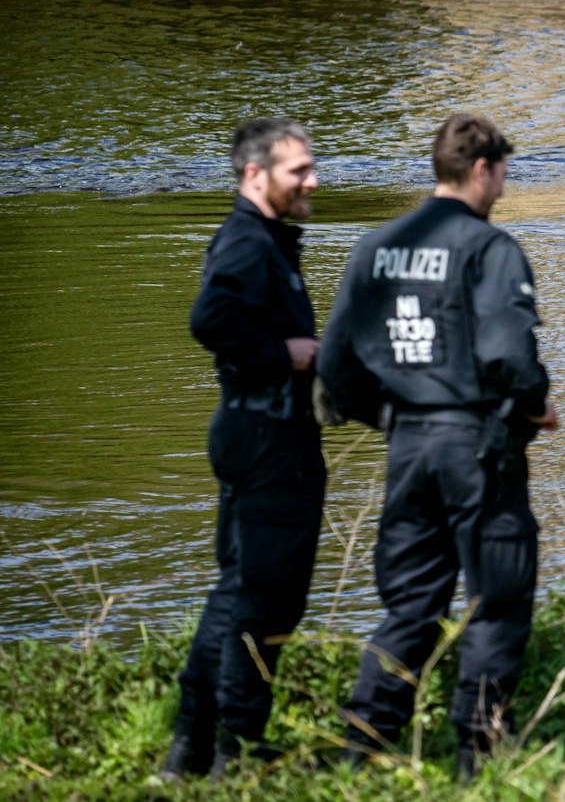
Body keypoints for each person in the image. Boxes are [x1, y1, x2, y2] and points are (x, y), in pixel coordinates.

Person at [317, 114, 558, 779]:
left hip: (409, 446)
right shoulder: (490, 247)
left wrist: (395, 417)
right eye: (504, 174)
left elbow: (336, 368)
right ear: (481, 168)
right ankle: (477, 756)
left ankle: (363, 745)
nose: (504, 189)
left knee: (411, 603)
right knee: (498, 596)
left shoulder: (376, 247)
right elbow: (511, 353)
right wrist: (535, 405)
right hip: (481, 448)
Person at [164, 118, 327, 780]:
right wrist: (279, 354)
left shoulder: (264, 240)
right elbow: (210, 317)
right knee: (264, 600)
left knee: (239, 590)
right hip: (266, 439)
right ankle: (237, 752)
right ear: (255, 175)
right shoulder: (248, 241)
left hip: (255, 430)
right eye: (299, 171)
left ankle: (191, 749)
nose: (313, 180)